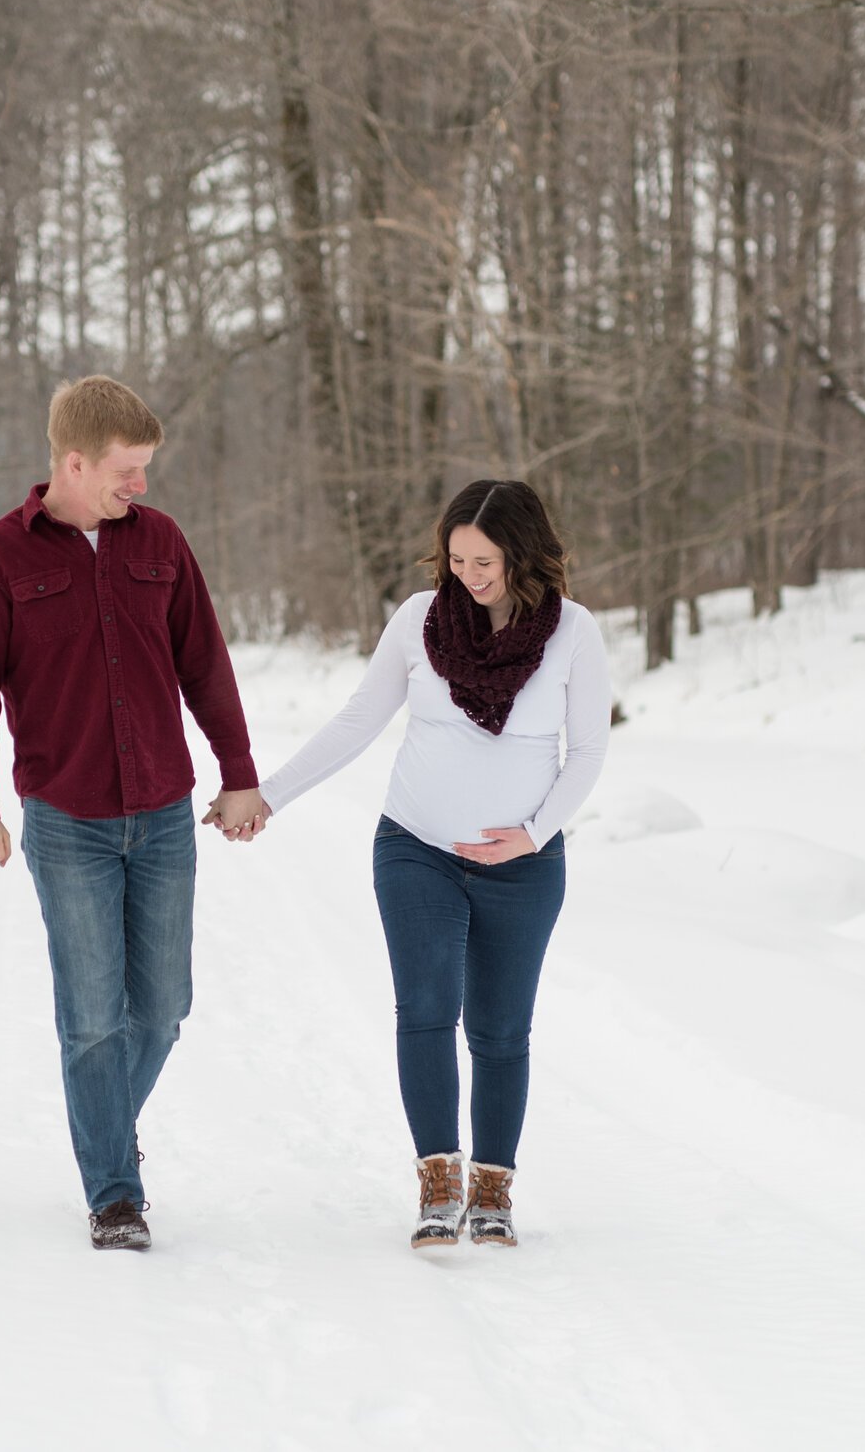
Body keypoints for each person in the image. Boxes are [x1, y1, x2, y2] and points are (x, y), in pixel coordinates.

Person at [0, 376, 267, 1252]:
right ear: (75, 462)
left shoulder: (160, 542)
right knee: (90, 1014)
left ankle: (102, 1123)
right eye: (129, 470)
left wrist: (239, 772)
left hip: (163, 812)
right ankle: (114, 1193)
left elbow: (207, 666)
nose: (143, 486)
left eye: (147, 469)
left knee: (161, 1007)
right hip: (66, 819)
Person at [254, 480, 608, 1248]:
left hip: (525, 865)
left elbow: (586, 752)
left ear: (522, 553)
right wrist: (270, 795)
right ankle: (438, 1181)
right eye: (456, 558)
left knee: (501, 1029)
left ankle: (493, 1191)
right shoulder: (419, 620)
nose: (470, 574)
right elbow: (358, 719)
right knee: (425, 1006)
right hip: (416, 847)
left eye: (485, 560)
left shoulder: (573, 631)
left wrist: (535, 831)